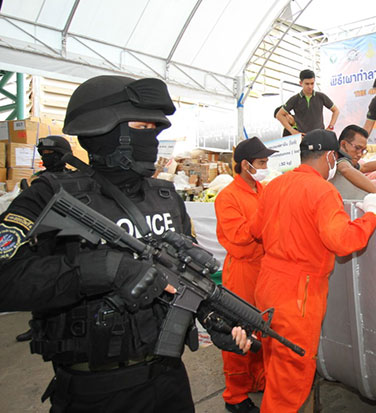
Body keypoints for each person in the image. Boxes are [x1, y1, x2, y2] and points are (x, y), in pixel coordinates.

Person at [0, 75, 250, 413]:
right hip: (95, 390)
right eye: (140, 125)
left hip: (169, 379)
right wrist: (102, 269)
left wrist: (210, 316)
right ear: (101, 129)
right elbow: (6, 278)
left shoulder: (165, 197)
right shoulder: (49, 196)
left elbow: (182, 275)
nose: (151, 137)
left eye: (154, 128)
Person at [249, 129, 376, 412]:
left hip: (267, 286)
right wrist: (372, 214)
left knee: (275, 365)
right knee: (290, 382)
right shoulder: (322, 190)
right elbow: (344, 241)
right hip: (298, 296)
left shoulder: (274, 185)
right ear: (329, 156)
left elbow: (255, 230)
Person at [214, 137, 277, 413]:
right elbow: (239, 236)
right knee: (238, 332)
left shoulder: (263, 189)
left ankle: (259, 379)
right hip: (242, 271)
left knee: (262, 328)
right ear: (245, 164)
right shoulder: (227, 197)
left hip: (265, 269)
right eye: (261, 163)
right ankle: (235, 395)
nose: (265, 167)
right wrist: (267, 220)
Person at [15, 135, 74, 342]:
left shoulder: (77, 180)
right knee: (42, 284)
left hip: (67, 237)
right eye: (44, 154)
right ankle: (38, 326)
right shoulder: (40, 181)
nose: (47, 157)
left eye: (52, 154)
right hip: (44, 238)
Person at [275, 69, 340, 134]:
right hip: (303, 138)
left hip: (320, 136)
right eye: (307, 84)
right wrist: (292, 130)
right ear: (301, 83)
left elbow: (336, 111)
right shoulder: (295, 99)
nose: (310, 86)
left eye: (312, 83)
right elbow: (279, 115)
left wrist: (330, 127)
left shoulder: (321, 96)